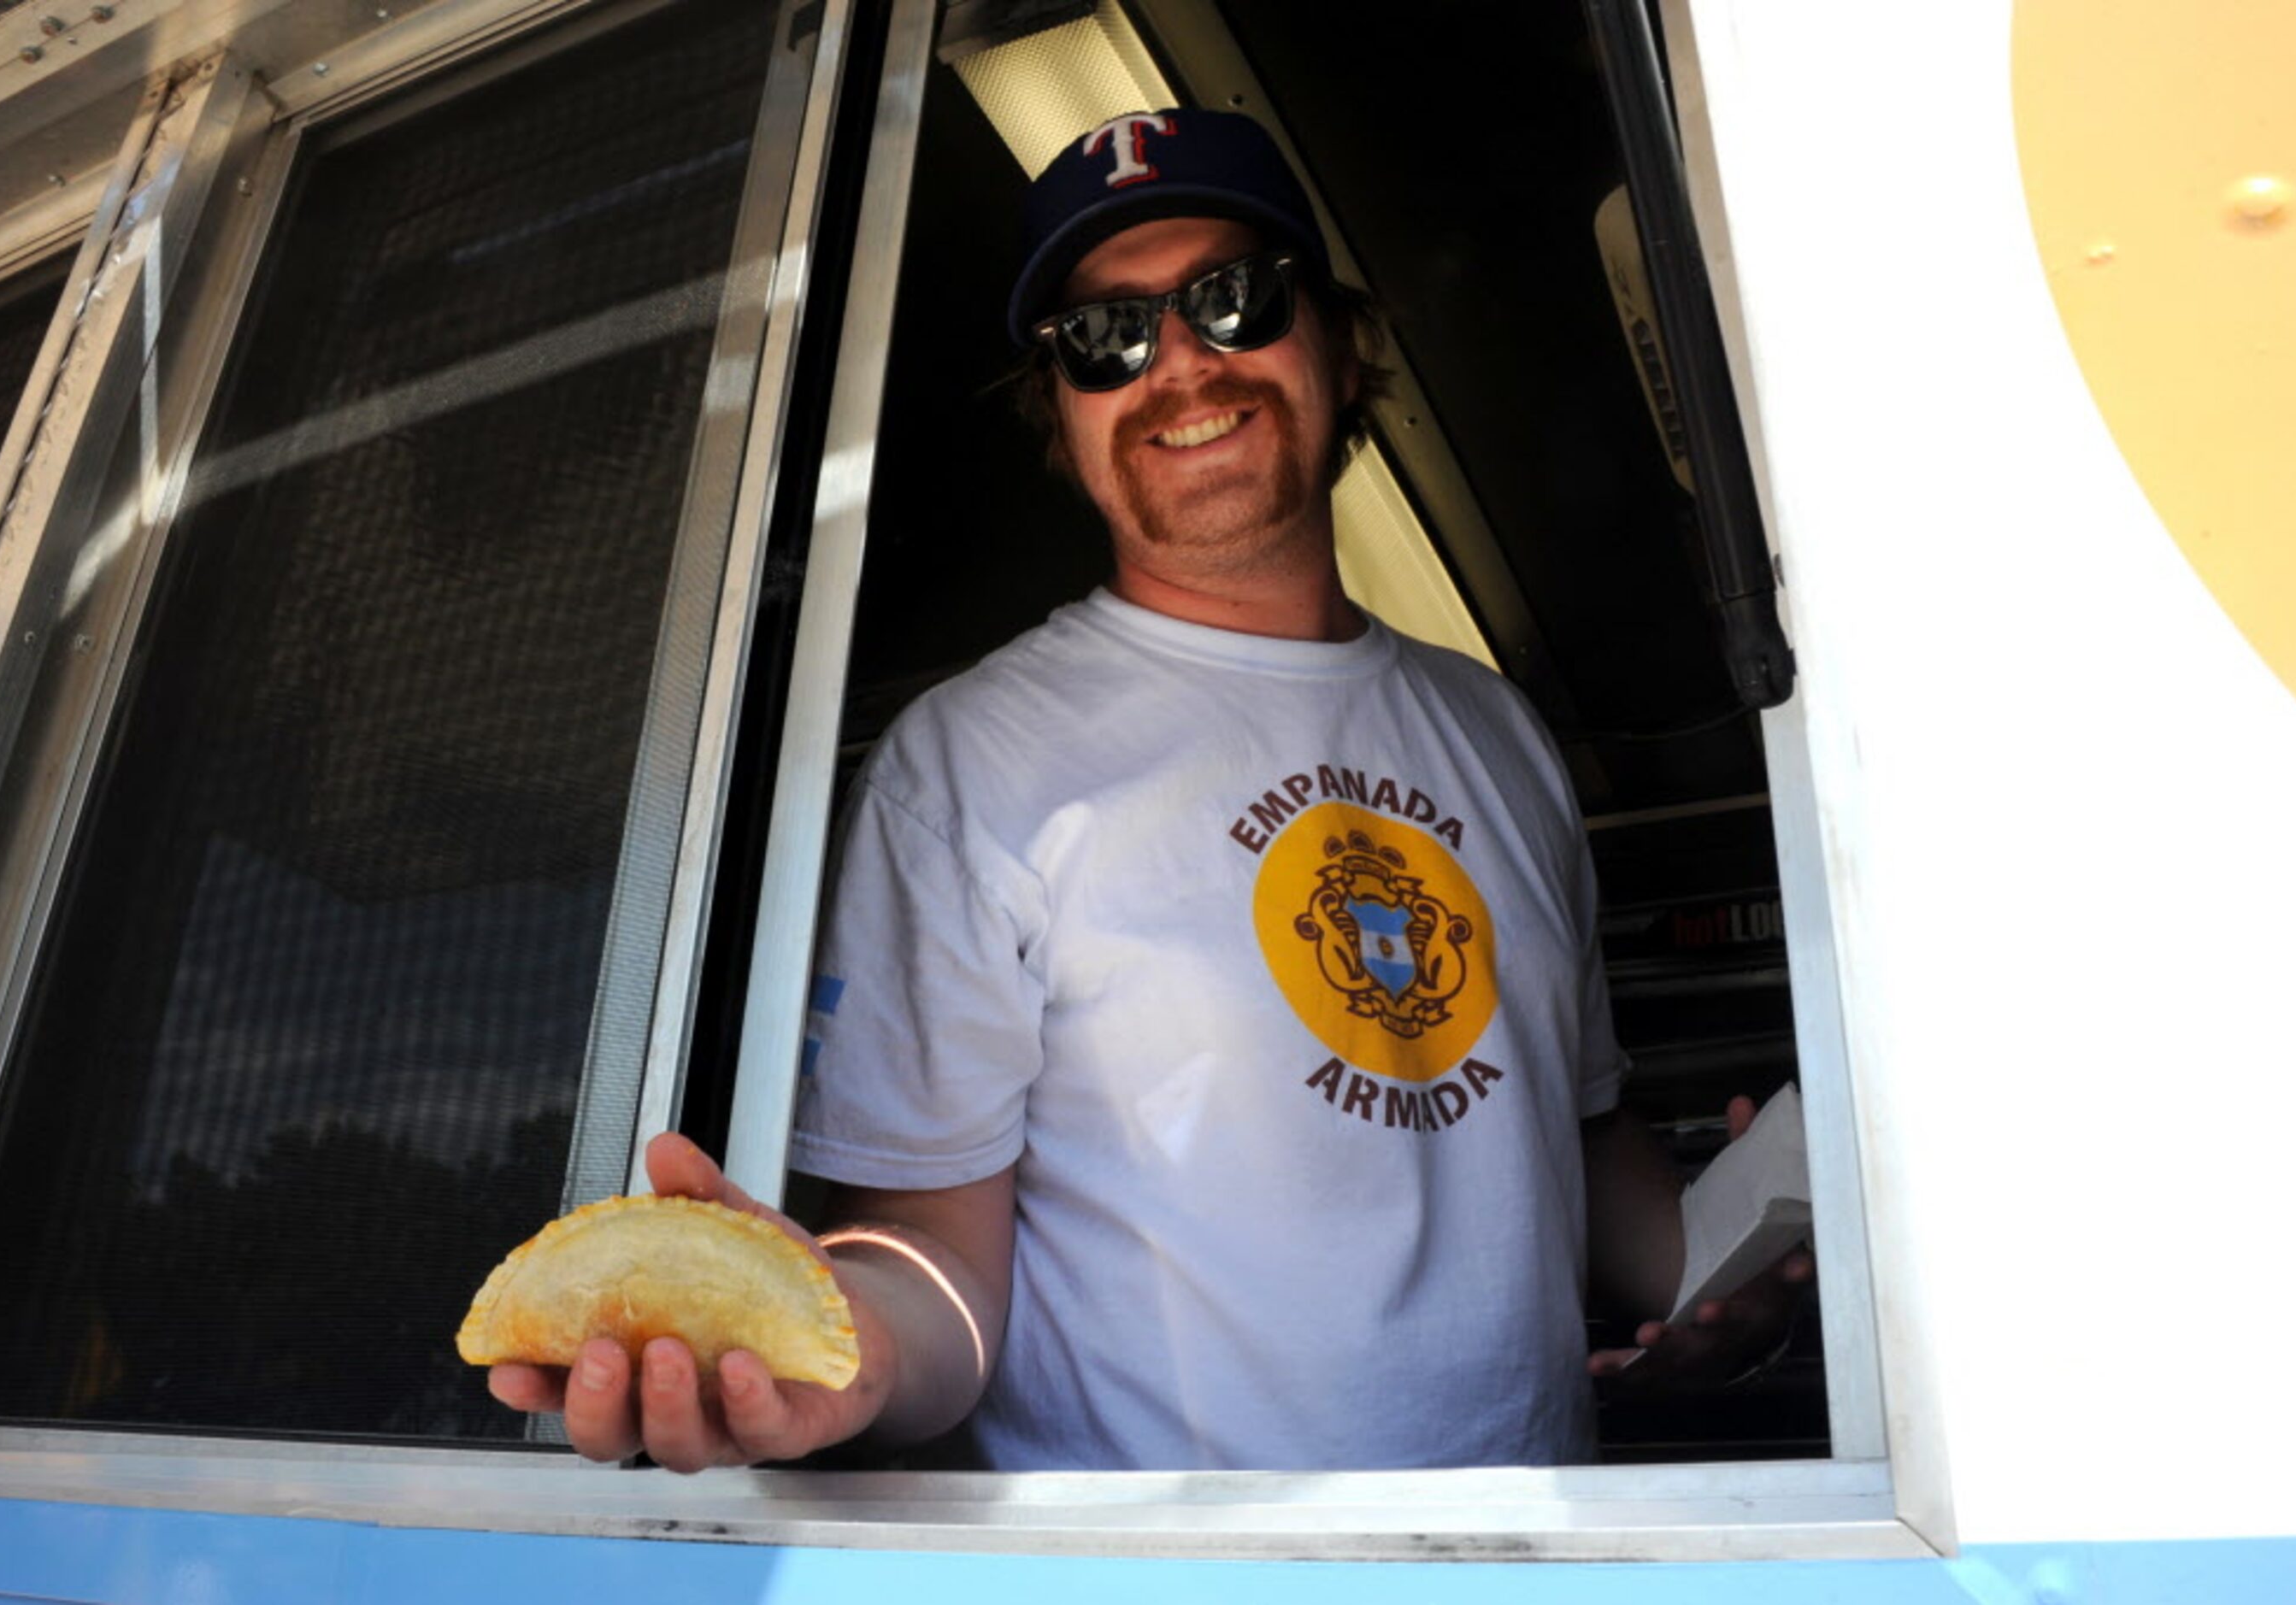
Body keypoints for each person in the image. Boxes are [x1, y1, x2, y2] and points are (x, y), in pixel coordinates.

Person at [491, 109, 1805, 1472]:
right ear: (1063, 417)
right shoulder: (970, 764)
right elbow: (933, 1253)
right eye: (1104, 337)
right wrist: (843, 1345)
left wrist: (1731, 1270)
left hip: (1552, 1552)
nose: (1179, 362)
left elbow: (1570, 1151)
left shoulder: (1498, 732)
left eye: (1234, 299)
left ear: (1341, 345)